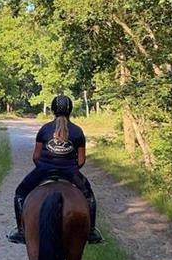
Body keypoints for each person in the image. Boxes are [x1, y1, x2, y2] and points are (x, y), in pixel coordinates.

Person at [6, 94, 103, 245]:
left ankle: (21, 231)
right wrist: (71, 168)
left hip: (44, 170)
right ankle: (91, 232)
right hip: (70, 172)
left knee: (20, 193)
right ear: (70, 110)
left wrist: (45, 166)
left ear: (52, 110)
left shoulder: (44, 129)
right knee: (89, 197)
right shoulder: (77, 131)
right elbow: (81, 160)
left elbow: (36, 157)